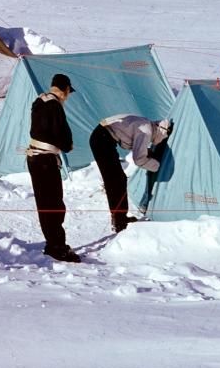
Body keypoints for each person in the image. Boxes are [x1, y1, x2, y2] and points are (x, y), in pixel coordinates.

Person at [25, 73, 81, 263]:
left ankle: (52, 243)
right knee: (54, 204)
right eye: (68, 92)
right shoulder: (55, 105)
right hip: (46, 161)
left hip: (34, 157)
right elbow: (61, 133)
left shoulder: (39, 100)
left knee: (45, 204)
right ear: (65, 90)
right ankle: (57, 247)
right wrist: (68, 145)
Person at [89, 115, 172, 233]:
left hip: (102, 136)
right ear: (161, 132)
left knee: (119, 179)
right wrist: (157, 166)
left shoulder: (146, 124)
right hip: (102, 139)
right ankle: (119, 221)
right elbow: (139, 159)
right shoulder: (147, 131)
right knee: (115, 181)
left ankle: (120, 217)